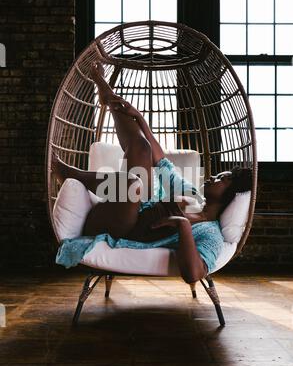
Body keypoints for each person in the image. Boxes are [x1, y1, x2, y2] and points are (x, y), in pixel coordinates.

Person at [53, 61, 252, 284]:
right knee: (142, 148)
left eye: (220, 179)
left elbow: (194, 274)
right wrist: (139, 117)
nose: (212, 178)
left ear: (230, 195)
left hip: (120, 230)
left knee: (132, 185)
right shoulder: (193, 195)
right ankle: (106, 93)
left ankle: (66, 171)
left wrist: (183, 225)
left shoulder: (210, 234)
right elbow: (162, 162)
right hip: (116, 210)